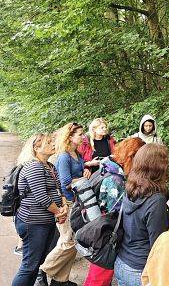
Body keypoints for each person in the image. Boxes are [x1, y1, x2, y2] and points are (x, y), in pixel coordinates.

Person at [38, 122, 97, 286]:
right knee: (68, 241)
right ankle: (41, 270)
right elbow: (65, 182)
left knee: (71, 241)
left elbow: (77, 173)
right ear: (70, 137)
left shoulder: (76, 154)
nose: (83, 136)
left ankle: (60, 280)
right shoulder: (64, 156)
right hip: (66, 203)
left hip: (77, 201)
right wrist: (86, 179)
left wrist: (86, 170)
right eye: (80, 134)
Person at [83, 137, 146, 286]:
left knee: (97, 274)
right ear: (132, 156)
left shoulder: (108, 166)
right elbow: (114, 213)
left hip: (99, 230)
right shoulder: (115, 179)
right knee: (100, 277)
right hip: (106, 235)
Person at [12, 133, 67, 286]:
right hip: (33, 222)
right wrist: (58, 212)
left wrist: (64, 207)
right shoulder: (34, 166)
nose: (53, 144)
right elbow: (42, 197)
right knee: (29, 266)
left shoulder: (49, 165)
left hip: (46, 221)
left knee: (37, 264)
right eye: (48, 142)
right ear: (36, 148)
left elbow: (59, 189)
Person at [114, 143, 169, 286]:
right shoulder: (156, 200)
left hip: (122, 263)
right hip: (140, 270)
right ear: (158, 167)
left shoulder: (131, 187)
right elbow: (158, 245)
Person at [13, 135, 40, 256]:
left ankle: (21, 246)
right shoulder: (32, 164)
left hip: (21, 200)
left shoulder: (24, 159)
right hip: (27, 202)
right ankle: (22, 247)